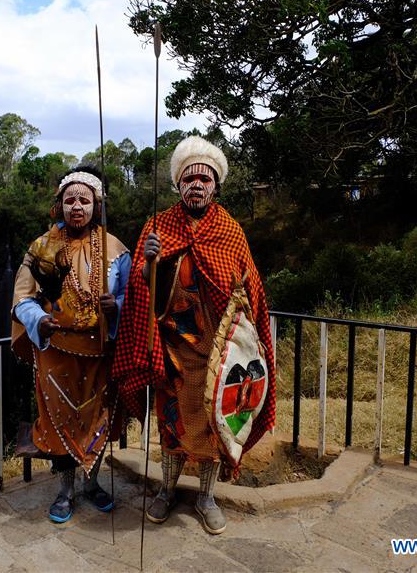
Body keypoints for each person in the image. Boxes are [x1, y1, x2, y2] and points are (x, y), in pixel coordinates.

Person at [112, 136, 276, 535]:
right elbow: (141, 290)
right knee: (171, 427)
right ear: (178, 186)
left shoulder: (230, 231)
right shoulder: (158, 227)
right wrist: (151, 261)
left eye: (204, 179)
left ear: (215, 187)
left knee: (216, 426)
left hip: (220, 356)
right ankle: (167, 490)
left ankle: (206, 497)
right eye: (189, 179)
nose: (197, 185)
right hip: (172, 351)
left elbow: (250, 289)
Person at [11, 166, 132, 523]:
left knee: (96, 420)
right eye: (69, 200)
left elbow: (131, 295)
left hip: (99, 353)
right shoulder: (41, 248)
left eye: (84, 200)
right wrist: (39, 320)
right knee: (59, 422)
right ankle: (65, 490)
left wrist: (118, 306)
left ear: (96, 205)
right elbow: (22, 296)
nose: (76, 206)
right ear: (59, 206)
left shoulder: (116, 248)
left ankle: (91, 483)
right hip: (56, 354)